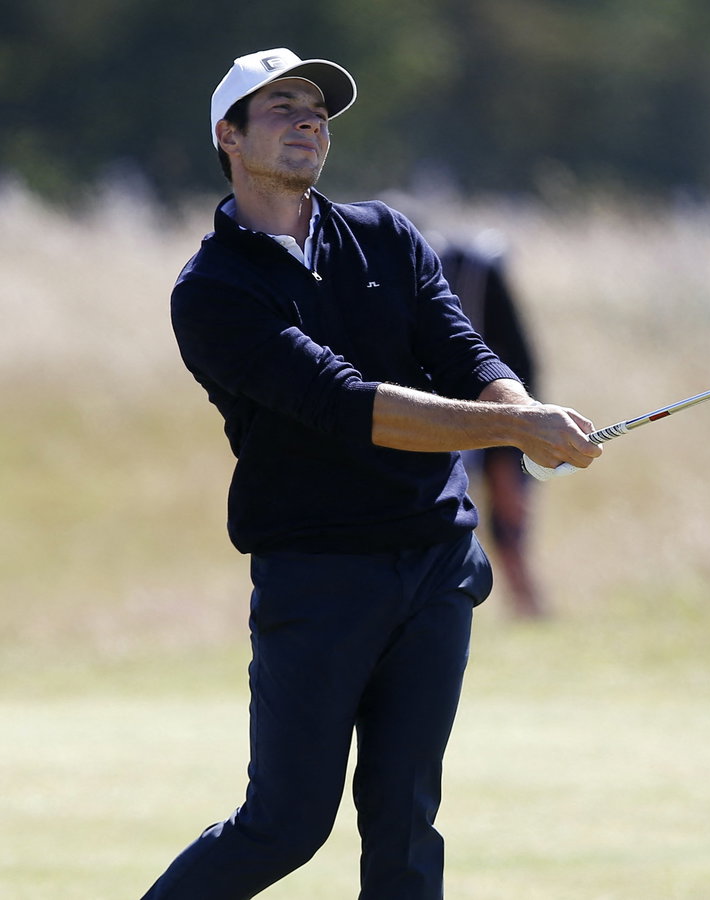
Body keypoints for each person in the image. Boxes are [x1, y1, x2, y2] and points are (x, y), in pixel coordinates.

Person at [139, 48, 600, 900]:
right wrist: (516, 426)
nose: (308, 120)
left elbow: (462, 351)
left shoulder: (385, 234)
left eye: (316, 108)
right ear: (228, 136)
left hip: (432, 563)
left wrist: (519, 406)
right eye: (280, 107)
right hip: (319, 577)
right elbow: (354, 407)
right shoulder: (212, 291)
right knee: (286, 824)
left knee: (405, 821)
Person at [438, 233, 547, 618]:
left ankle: (527, 606)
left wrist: (517, 426)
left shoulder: (480, 272)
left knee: (508, 515)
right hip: (444, 414)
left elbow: (520, 360)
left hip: (504, 413)